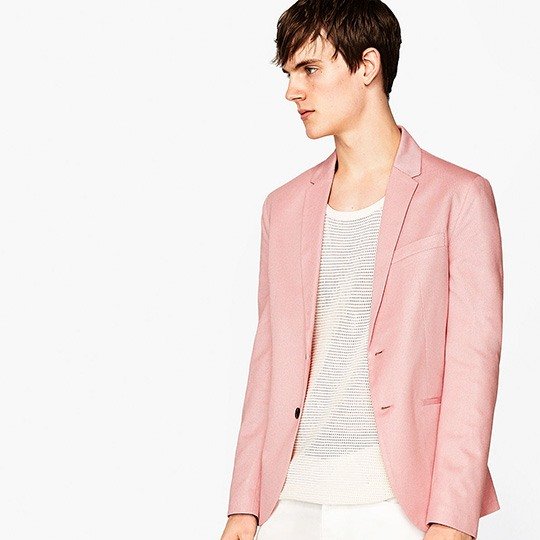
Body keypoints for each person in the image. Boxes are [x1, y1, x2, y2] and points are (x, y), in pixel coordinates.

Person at [221, 1, 503, 539]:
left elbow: (473, 366)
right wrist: (244, 503)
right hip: (287, 501)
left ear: (367, 66)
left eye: (309, 69)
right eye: (289, 73)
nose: (292, 91)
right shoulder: (282, 208)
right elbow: (268, 362)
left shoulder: (458, 197)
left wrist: (452, 517)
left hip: (400, 504)